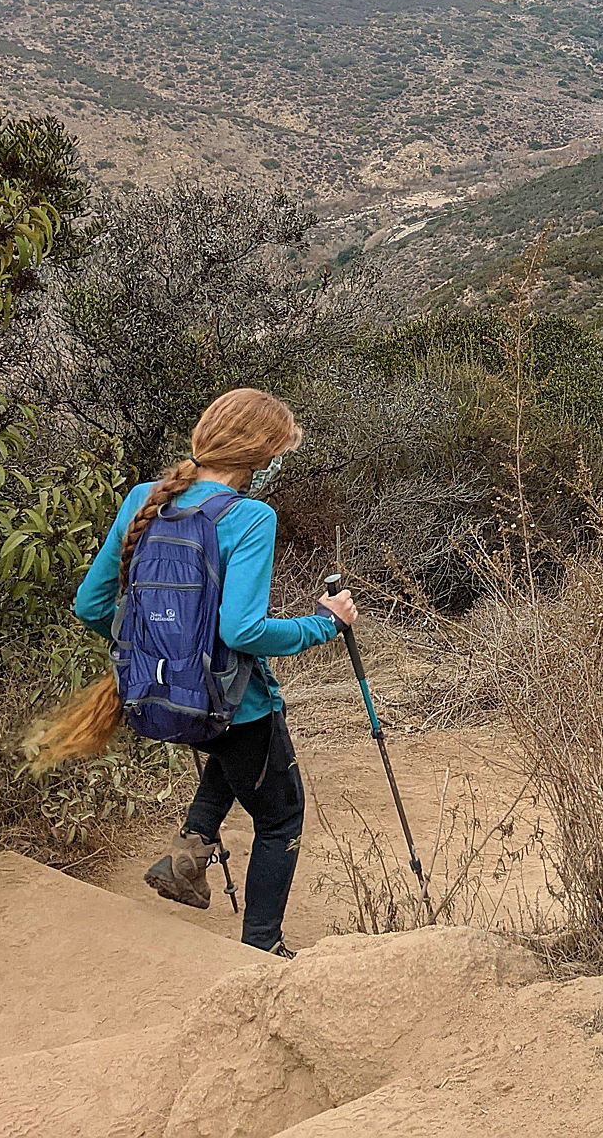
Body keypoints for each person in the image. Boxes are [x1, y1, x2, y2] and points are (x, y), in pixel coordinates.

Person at [50, 388, 355, 956]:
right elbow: (242, 631)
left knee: (229, 757)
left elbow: (91, 606)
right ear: (262, 455)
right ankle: (264, 948)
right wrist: (323, 624)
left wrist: (156, 655)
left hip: (159, 695)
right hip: (237, 705)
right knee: (281, 818)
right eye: (279, 451)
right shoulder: (250, 516)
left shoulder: (145, 497)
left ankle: (188, 852)